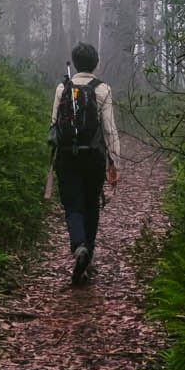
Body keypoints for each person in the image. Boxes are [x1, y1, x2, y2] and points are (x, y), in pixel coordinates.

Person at [47, 42, 120, 285]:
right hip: (94, 156)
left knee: (73, 206)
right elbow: (109, 130)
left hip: (67, 156)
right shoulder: (102, 89)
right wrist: (114, 163)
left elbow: (54, 124)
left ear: (75, 63)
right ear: (96, 63)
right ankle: (87, 257)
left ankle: (78, 246)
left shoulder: (62, 88)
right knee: (91, 205)